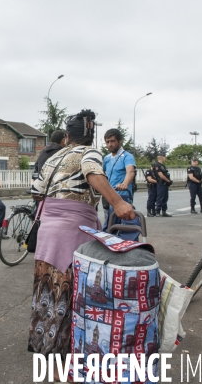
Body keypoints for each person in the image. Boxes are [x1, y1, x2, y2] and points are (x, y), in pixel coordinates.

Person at [28, 109, 135, 381]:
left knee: (47, 293)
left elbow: (36, 189)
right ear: (91, 134)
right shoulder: (90, 152)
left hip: (48, 230)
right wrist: (118, 203)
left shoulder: (55, 156)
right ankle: (62, 368)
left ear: (67, 136)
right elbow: (93, 174)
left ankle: (47, 353)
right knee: (70, 293)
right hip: (72, 229)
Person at [102, 128, 136, 228]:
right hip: (108, 196)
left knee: (122, 228)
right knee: (108, 225)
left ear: (120, 141)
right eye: (107, 142)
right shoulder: (107, 158)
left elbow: (130, 171)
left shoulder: (127, 156)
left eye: (112, 141)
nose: (109, 144)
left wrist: (125, 183)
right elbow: (101, 174)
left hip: (122, 196)